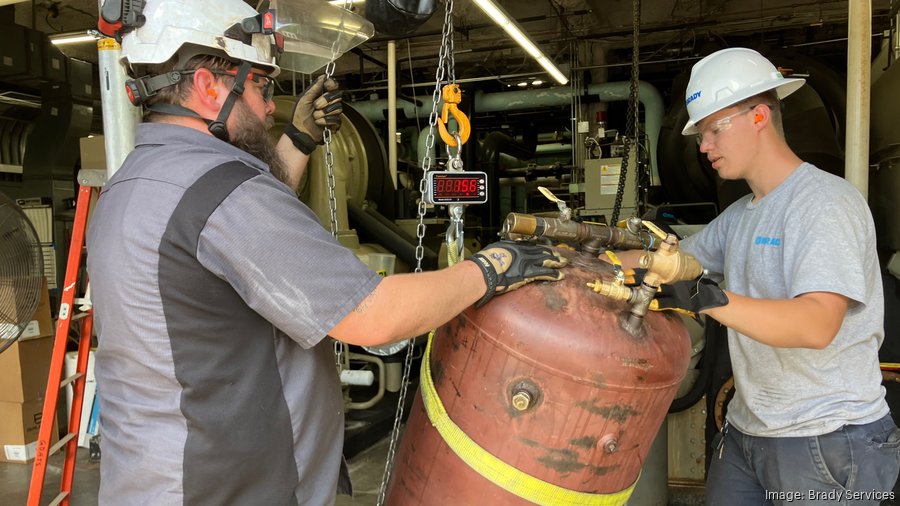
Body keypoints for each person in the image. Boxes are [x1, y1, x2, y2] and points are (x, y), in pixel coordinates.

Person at [85, 2, 567, 505]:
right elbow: (372, 316)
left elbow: (242, 246)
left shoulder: (133, 184)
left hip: (154, 479)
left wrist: (297, 141)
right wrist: (492, 267)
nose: (269, 107)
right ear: (209, 87)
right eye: (261, 85)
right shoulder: (224, 192)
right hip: (231, 487)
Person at [623, 47, 899, 505]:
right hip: (748, 433)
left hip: (829, 437)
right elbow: (670, 260)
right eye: (700, 134)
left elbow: (815, 325)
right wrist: (579, 259)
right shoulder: (740, 216)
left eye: (714, 129)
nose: (703, 146)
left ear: (758, 116)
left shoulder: (825, 203)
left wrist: (705, 296)